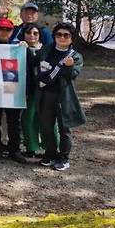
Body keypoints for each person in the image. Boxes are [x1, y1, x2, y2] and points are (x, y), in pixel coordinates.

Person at [36, 22, 85, 171]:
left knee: (65, 128)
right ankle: (50, 153)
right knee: (46, 126)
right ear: (54, 36)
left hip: (64, 96)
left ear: (72, 38)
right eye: (59, 34)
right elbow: (34, 62)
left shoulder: (75, 56)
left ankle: (64, 157)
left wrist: (69, 66)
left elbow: (72, 76)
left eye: (66, 35)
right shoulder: (46, 50)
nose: (62, 37)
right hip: (46, 94)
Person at [0, 18, 26, 163]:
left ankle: (14, 149)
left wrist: (25, 48)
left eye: (7, 30)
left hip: (11, 85)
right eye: (1, 29)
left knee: (14, 120)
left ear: (12, 31)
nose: (4, 32)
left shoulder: (18, 47)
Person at [21, 22, 46, 157]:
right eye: (29, 33)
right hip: (30, 90)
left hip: (46, 91)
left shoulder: (47, 49)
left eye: (35, 33)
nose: (32, 36)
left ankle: (50, 147)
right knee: (28, 118)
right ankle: (31, 147)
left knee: (47, 119)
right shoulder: (20, 48)